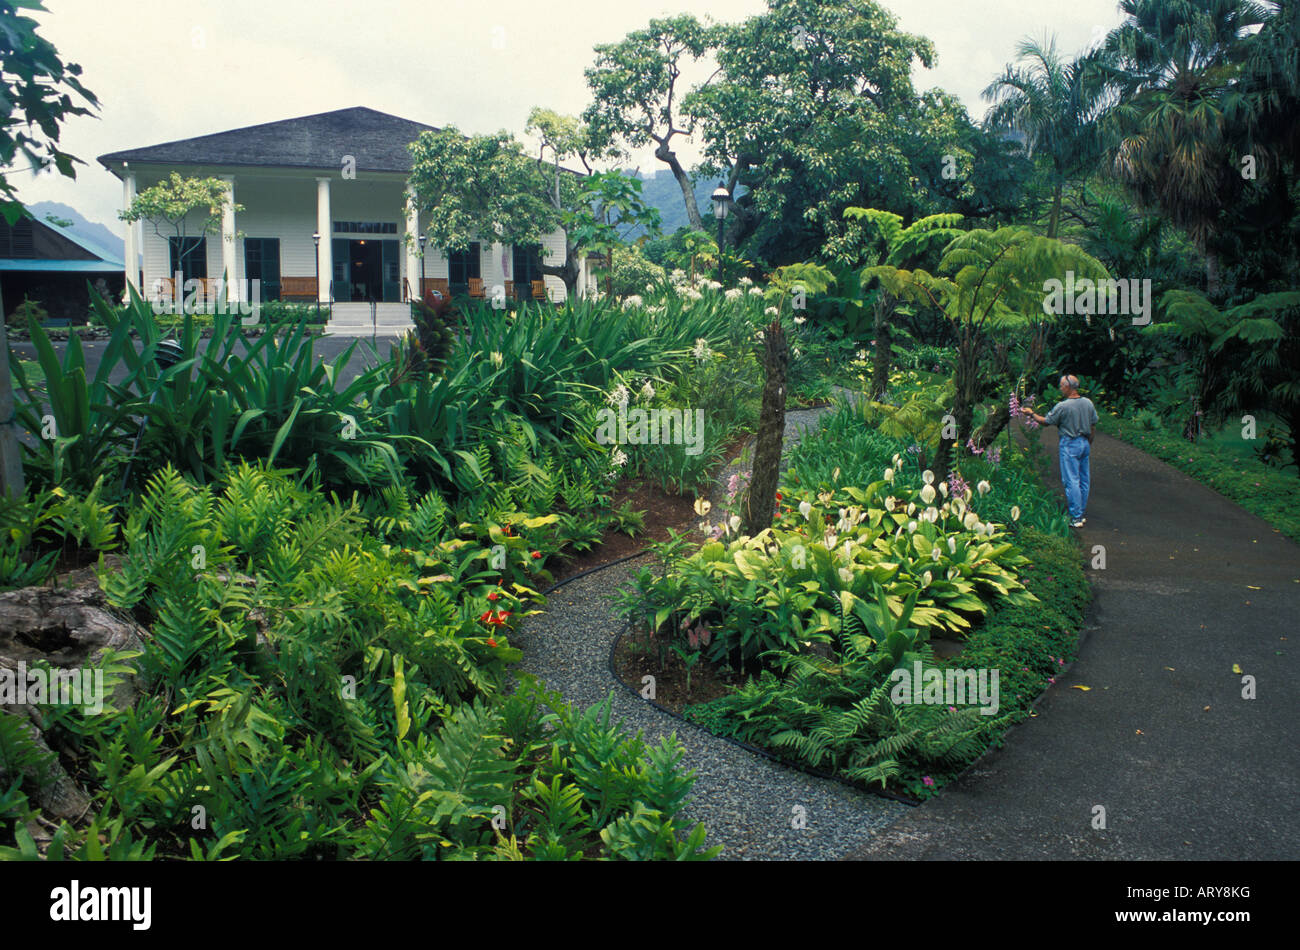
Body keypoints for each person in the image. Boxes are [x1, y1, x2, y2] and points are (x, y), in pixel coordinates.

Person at [1021, 374, 1098, 528]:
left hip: (1070, 444)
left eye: (1062, 385)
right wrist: (1088, 442)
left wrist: (1031, 414)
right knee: (1084, 480)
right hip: (1085, 442)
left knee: (1071, 481)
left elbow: (1046, 422)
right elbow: (1093, 425)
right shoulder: (1088, 403)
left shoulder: (1063, 406)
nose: (1060, 388)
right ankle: (1080, 514)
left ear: (1068, 387)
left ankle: (1075, 518)